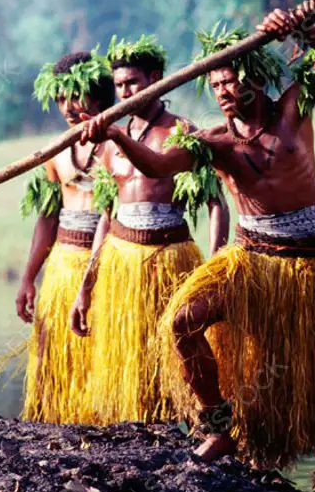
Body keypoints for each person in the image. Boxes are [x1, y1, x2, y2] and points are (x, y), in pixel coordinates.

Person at [79, 12, 315, 492]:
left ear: (256, 76)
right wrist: (115, 135)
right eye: (216, 83)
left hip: (305, 267)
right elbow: (158, 165)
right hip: (248, 261)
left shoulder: (293, 110)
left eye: (232, 80)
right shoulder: (213, 143)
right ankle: (219, 424)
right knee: (182, 321)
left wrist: (302, 28)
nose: (224, 91)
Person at [69, 34, 230, 426]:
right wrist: (86, 287)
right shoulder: (109, 143)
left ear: (156, 78)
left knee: (177, 346)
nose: (125, 91)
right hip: (122, 261)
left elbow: (215, 204)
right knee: (130, 350)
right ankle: (139, 430)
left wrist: (214, 268)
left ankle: (198, 425)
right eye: (120, 85)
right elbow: (105, 218)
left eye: (133, 83)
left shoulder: (182, 132)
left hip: (172, 258)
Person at [12, 50, 115, 424]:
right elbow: (47, 217)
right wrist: (28, 277)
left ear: (100, 93)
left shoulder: (118, 144)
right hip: (62, 263)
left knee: (101, 351)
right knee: (54, 357)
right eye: (59, 98)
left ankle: (104, 422)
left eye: (76, 95)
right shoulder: (56, 152)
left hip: (106, 265)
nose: (68, 107)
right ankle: (57, 423)